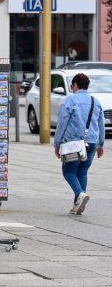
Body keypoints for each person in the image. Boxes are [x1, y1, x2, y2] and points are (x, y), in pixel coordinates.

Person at [53, 73, 105, 215]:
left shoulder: (70, 100)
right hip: (93, 142)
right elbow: (101, 124)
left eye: (72, 85)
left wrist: (57, 144)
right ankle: (78, 204)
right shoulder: (96, 101)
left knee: (68, 171)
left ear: (75, 85)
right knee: (82, 171)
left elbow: (62, 123)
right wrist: (101, 144)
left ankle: (80, 194)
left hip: (73, 142)